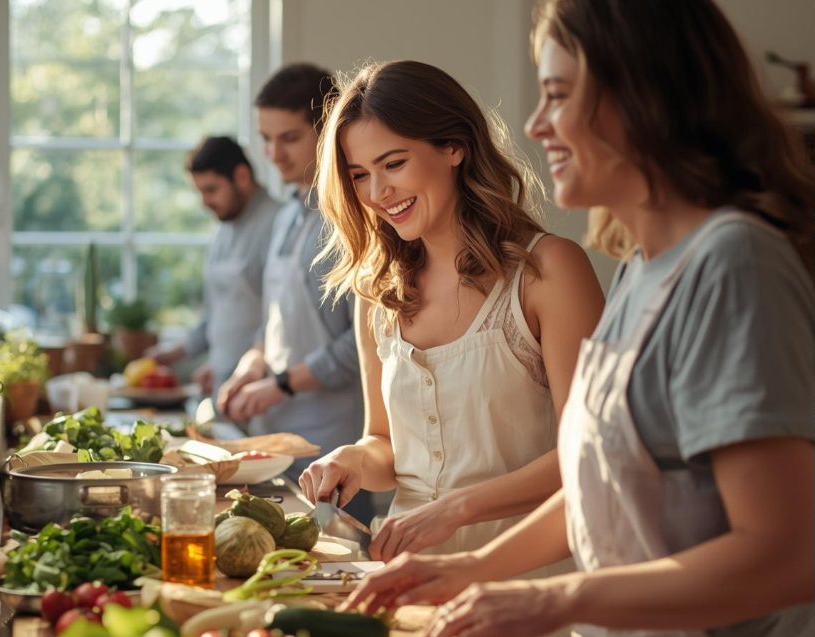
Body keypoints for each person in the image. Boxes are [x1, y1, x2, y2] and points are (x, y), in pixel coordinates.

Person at [340, 2, 815, 636]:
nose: (537, 125)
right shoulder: (641, 269)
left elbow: (785, 557)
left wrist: (553, 600)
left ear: (644, 96)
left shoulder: (733, 264)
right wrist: (471, 568)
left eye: (558, 95)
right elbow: (604, 488)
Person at [299, 59, 604, 563]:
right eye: (359, 175)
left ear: (454, 147)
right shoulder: (377, 292)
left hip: (527, 574)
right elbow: (384, 444)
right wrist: (352, 459)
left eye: (393, 164)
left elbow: (589, 454)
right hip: (404, 574)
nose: (377, 194)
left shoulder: (548, 270)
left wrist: (457, 509)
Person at [216, 64, 372, 522]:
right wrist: (254, 363)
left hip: (330, 448)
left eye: (288, 138)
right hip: (274, 440)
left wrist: (281, 385)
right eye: (266, 138)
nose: (272, 154)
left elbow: (358, 348)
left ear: (327, 131)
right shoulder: (287, 215)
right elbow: (276, 317)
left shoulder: (353, 220)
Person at [148, 136, 279, 402]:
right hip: (225, 387)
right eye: (200, 192)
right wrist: (181, 353)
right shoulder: (223, 229)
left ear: (241, 176)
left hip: (260, 391)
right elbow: (220, 314)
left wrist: (238, 369)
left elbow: (278, 319)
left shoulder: (278, 223)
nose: (204, 202)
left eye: (211, 190)